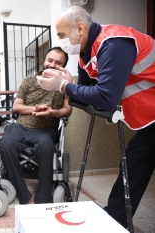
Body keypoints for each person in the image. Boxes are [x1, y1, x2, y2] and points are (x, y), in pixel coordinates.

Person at [37, 5, 155, 229]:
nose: (60, 41)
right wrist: (66, 84)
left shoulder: (114, 43)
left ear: (79, 29)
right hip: (151, 116)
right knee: (134, 161)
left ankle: (115, 218)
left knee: (136, 160)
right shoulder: (86, 55)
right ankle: (115, 220)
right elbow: (84, 97)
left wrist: (63, 86)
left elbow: (105, 97)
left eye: (62, 35)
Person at [0, 46, 72, 205]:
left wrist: (51, 112)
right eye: (50, 60)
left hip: (46, 130)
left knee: (46, 146)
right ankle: (21, 191)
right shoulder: (29, 81)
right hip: (21, 126)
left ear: (63, 67)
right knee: (5, 144)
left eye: (58, 63)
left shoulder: (65, 85)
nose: (52, 65)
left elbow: (67, 110)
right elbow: (16, 107)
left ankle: (43, 197)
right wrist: (34, 109)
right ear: (44, 61)